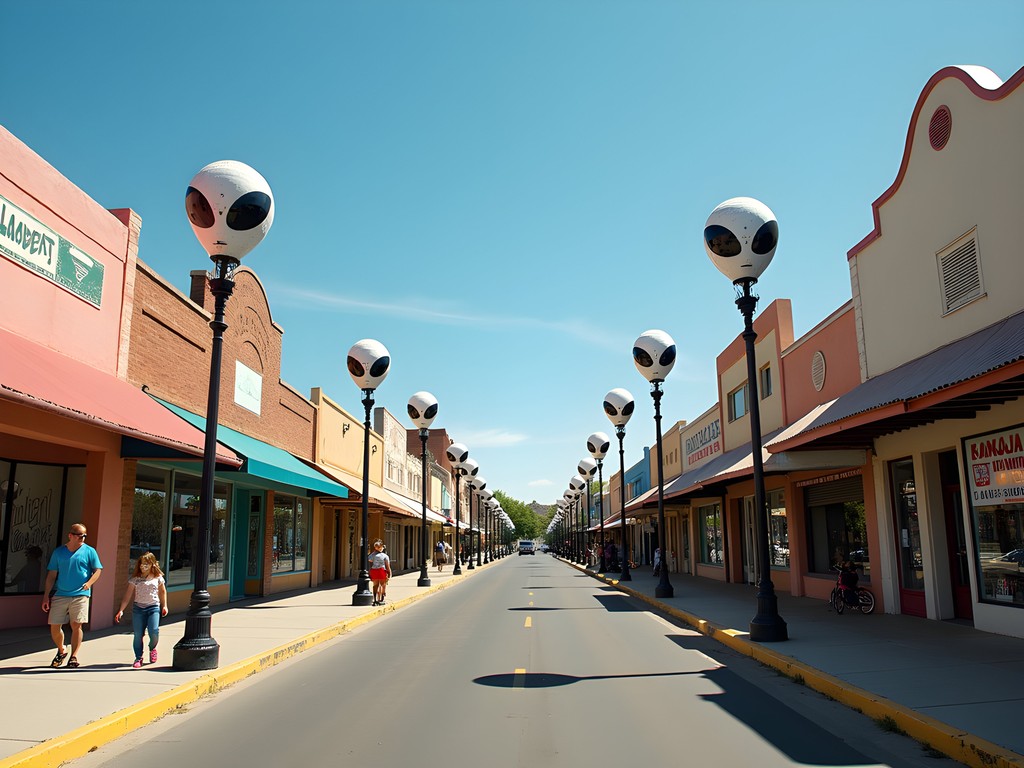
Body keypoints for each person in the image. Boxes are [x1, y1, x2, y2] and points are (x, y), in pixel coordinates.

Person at [42, 523, 103, 669]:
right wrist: (46, 596)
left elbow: (98, 570)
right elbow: (51, 575)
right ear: (70, 535)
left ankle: (73, 656)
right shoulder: (59, 552)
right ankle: (62, 649)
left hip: (81, 594)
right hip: (61, 593)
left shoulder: (90, 551)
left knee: (76, 624)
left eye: (84, 535)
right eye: (79, 535)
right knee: (55, 626)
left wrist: (89, 583)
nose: (82, 538)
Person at [115, 552, 168, 668]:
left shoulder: (158, 577)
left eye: (146, 564)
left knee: (154, 631)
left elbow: (162, 592)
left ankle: (152, 648)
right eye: (141, 564)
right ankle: (138, 657)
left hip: (153, 607)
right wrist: (121, 610)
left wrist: (164, 606)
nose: (143, 566)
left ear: (152, 565)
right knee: (138, 634)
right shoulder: (135, 579)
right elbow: (127, 595)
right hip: (138, 608)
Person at [368, 540, 391, 606]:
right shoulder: (385, 556)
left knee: (375, 585)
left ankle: (375, 600)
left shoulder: (373, 555)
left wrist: (374, 552)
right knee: (383, 585)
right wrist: (389, 574)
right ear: (381, 547)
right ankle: (382, 599)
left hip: (374, 570)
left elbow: (369, 559)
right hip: (382, 570)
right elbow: (387, 566)